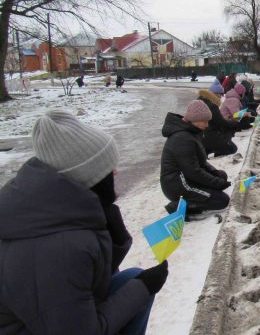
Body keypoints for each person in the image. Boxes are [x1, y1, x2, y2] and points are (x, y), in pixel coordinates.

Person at [0, 110, 167, 334]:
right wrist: (144, 288)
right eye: (108, 168)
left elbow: (82, 284)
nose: (115, 172)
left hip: (49, 320)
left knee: (130, 279)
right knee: (135, 284)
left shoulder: (53, 214)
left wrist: (109, 235)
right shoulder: (60, 248)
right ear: (88, 177)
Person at [160, 100, 231, 219]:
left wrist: (215, 174)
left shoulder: (191, 132)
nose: (207, 125)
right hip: (178, 185)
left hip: (187, 178)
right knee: (222, 200)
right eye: (205, 121)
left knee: (221, 175)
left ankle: (198, 196)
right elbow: (193, 171)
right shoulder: (182, 138)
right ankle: (177, 206)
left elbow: (200, 162)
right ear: (194, 119)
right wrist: (216, 183)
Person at [197, 87, 241, 157]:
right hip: (210, 136)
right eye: (220, 94)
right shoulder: (212, 106)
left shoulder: (199, 103)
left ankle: (208, 149)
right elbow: (221, 122)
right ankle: (219, 150)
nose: (221, 96)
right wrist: (235, 123)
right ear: (214, 94)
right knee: (233, 148)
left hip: (199, 137)